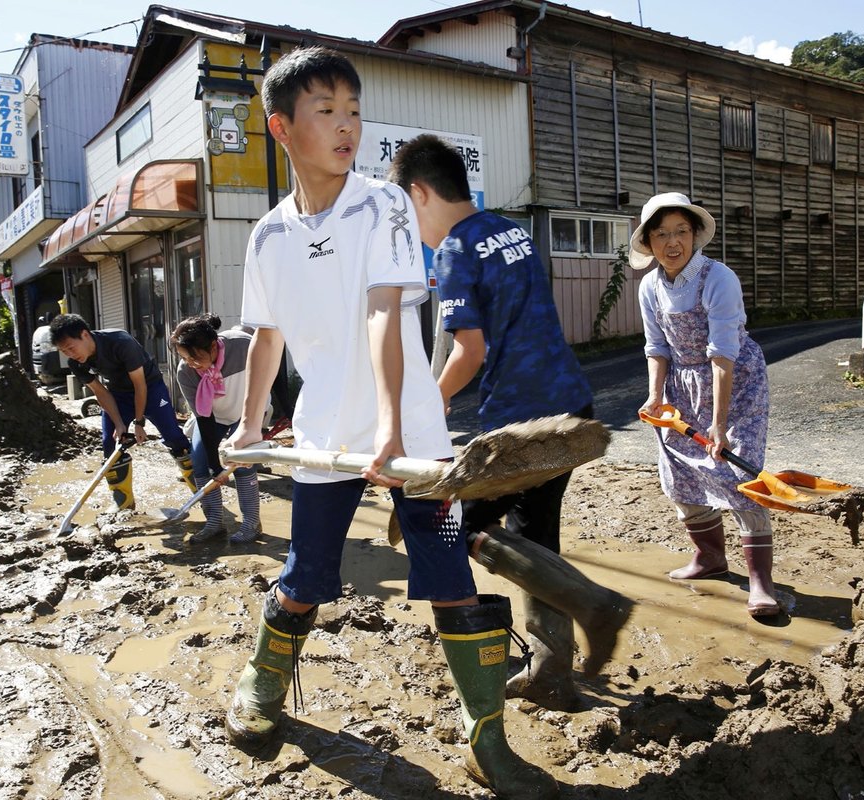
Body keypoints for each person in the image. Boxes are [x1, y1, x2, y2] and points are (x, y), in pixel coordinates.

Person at [223, 47, 557, 798]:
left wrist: (393, 430)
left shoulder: (381, 205)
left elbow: (383, 312)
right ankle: (262, 686)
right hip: (322, 442)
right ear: (282, 127)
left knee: (448, 576)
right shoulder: (267, 238)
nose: (346, 125)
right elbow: (267, 338)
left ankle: (487, 742)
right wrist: (248, 427)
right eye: (325, 111)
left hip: (415, 444)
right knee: (306, 576)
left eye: (353, 109)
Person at [390, 134, 633, 713]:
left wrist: (427, 403)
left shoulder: (453, 250)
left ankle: (595, 604)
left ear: (420, 194)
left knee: (449, 524)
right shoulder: (512, 231)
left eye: (406, 211)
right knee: (533, 537)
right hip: (572, 407)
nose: (411, 229)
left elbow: (467, 352)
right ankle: (552, 672)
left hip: (519, 426)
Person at [631, 192, 779, 617]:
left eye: (680, 231)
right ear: (649, 242)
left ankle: (760, 583)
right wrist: (656, 396)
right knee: (677, 470)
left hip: (734, 379)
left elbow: (722, 353)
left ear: (695, 235)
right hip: (681, 384)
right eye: (661, 234)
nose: (672, 242)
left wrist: (717, 423)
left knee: (738, 471)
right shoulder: (650, 286)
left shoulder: (719, 278)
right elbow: (657, 346)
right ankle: (710, 558)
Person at [49, 314, 195, 512]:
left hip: (151, 388)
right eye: (63, 351)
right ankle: (124, 503)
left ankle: (202, 489)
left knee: (174, 438)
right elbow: (101, 392)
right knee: (110, 444)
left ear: (84, 335)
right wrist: (119, 423)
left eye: (71, 347)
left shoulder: (120, 341)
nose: (69, 354)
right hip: (118, 394)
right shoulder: (76, 363)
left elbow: (140, 385)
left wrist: (139, 422)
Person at [170, 314, 264, 544]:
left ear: (213, 346)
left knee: (240, 463)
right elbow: (204, 419)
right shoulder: (186, 372)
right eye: (185, 357)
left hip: (246, 414)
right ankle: (214, 522)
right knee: (200, 461)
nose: (191, 363)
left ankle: (252, 522)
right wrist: (214, 464)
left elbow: (269, 372)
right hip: (214, 417)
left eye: (195, 357)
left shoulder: (241, 346)